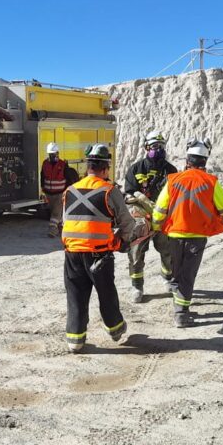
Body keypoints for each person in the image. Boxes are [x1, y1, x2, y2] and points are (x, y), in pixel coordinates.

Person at [61, 143, 147, 353]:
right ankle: (115, 330)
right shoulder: (110, 191)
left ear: (87, 166)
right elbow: (127, 223)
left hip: (72, 253)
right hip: (98, 254)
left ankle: (75, 340)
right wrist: (124, 241)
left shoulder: (70, 190)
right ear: (105, 168)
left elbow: (70, 221)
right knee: (106, 292)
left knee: (76, 295)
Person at [152, 138, 223, 328]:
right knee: (188, 275)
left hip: (174, 235)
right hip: (196, 238)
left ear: (187, 160)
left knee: (176, 272)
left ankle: (179, 304)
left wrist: (156, 226)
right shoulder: (211, 182)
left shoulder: (173, 180)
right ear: (204, 162)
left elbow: (160, 208)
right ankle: (181, 314)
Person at [124, 130, 178, 303]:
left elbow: (176, 195)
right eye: (155, 146)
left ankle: (167, 278)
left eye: (161, 146)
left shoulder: (171, 170)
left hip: (163, 219)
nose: (159, 149)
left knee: (168, 250)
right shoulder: (136, 169)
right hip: (142, 219)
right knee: (136, 253)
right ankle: (137, 286)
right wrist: (141, 202)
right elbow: (129, 196)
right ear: (146, 147)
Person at [40, 142, 68, 237]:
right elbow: (42, 176)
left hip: (60, 193)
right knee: (55, 213)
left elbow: (68, 178)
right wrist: (43, 189)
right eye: (50, 154)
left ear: (57, 153)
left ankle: (52, 231)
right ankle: (60, 229)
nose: (52, 156)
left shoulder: (62, 164)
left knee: (55, 213)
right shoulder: (45, 163)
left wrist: (66, 191)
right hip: (48, 193)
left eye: (53, 154)